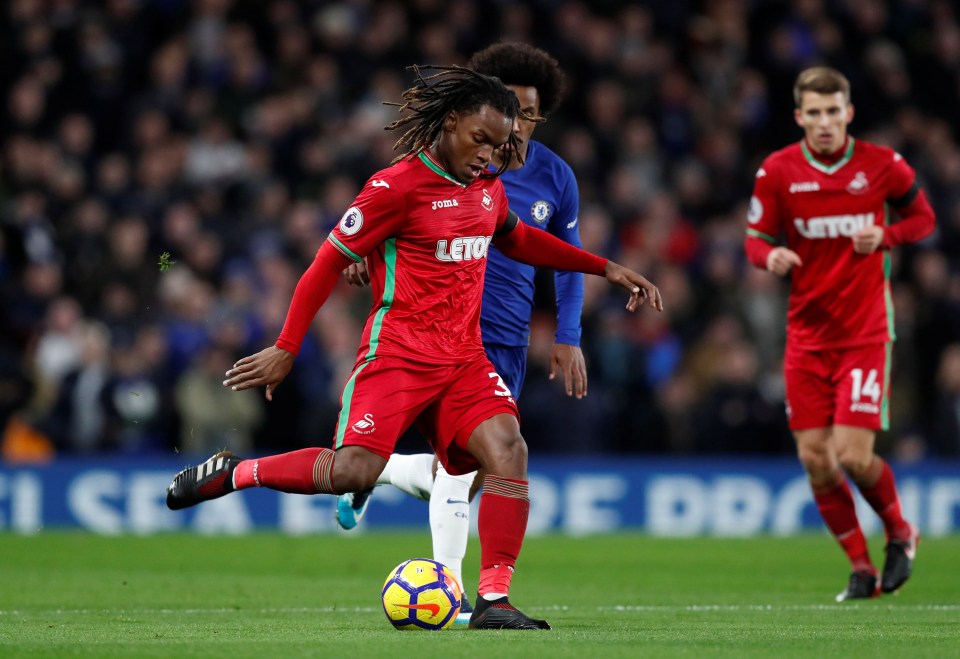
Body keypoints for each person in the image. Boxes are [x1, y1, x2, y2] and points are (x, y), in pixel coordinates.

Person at [166, 65, 663, 630]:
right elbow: (324, 265)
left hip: (463, 358)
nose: (488, 155)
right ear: (450, 122)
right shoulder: (393, 188)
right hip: (397, 355)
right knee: (353, 472)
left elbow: (519, 238)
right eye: (480, 140)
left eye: (499, 146)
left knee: (509, 449)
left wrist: (605, 268)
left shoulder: (488, 187)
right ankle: (236, 473)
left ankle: (493, 601)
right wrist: (286, 346)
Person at [334, 42, 584, 623]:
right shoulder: (445, 161)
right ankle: (458, 595)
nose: (515, 125)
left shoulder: (555, 176)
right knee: (474, 466)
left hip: (507, 336)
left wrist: (568, 334)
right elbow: (384, 219)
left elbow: (567, 258)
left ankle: (381, 469)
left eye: (528, 114)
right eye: (508, 111)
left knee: (476, 472)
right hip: (438, 334)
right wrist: (363, 256)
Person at [743, 66, 933, 601]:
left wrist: (889, 234)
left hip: (866, 330)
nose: (825, 122)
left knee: (851, 453)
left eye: (834, 111)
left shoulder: (880, 164)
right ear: (799, 116)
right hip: (807, 333)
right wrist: (771, 254)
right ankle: (861, 568)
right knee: (814, 458)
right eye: (815, 113)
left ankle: (902, 531)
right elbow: (754, 237)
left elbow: (924, 218)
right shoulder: (778, 170)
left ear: (848, 112)